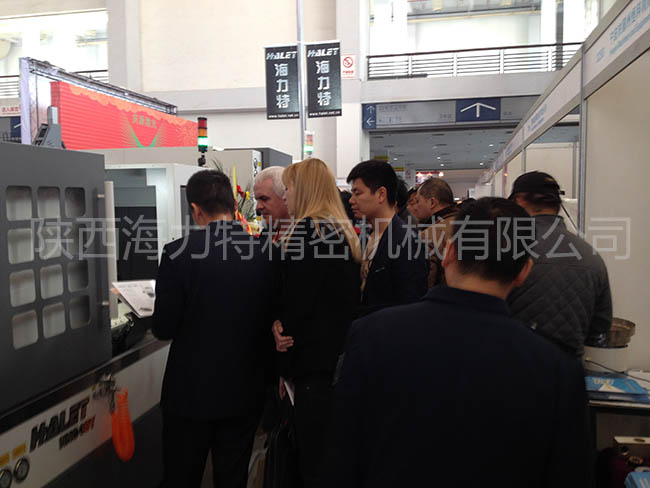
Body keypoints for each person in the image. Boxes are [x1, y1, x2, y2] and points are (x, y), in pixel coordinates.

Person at [326, 197, 592, 488]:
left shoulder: (371, 334)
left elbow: (341, 457)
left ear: (449, 253)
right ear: (524, 271)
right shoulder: (557, 370)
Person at [152, 170, 275, 488]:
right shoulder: (264, 253)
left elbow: (164, 327)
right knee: (232, 477)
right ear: (234, 205)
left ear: (195, 209)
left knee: (181, 477)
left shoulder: (177, 253)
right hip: (244, 392)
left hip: (189, 393)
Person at [271, 158, 361, 488]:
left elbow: (298, 303)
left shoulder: (307, 233)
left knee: (310, 460)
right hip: (334, 360)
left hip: (309, 364)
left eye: (289, 188)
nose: (285, 195)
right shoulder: (339, 231)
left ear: (304, 190)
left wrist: (280, 332)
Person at [507, 171, 612, 356]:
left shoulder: (506, 248)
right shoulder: (590, 255)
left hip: (511, 362)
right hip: (570, 368)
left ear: (520, 201)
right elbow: (601, 325)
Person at [347, 160, 428, 315]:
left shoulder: (406, 242)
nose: (351, 200)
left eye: (358, 193)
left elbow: (410, 305)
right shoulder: (365, 237)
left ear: (381, 194)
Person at [410, 177, 459, 288]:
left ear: (432, 202)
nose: (415, 207)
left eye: (418, 201)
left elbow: (425, 283)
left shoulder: (428, 235)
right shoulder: (470, 224)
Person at [253, 166, 291, 241]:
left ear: (285, 196)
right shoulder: (267, 233)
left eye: (264, 199)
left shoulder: (305, 236)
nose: (258, 207)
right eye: (257, 200)